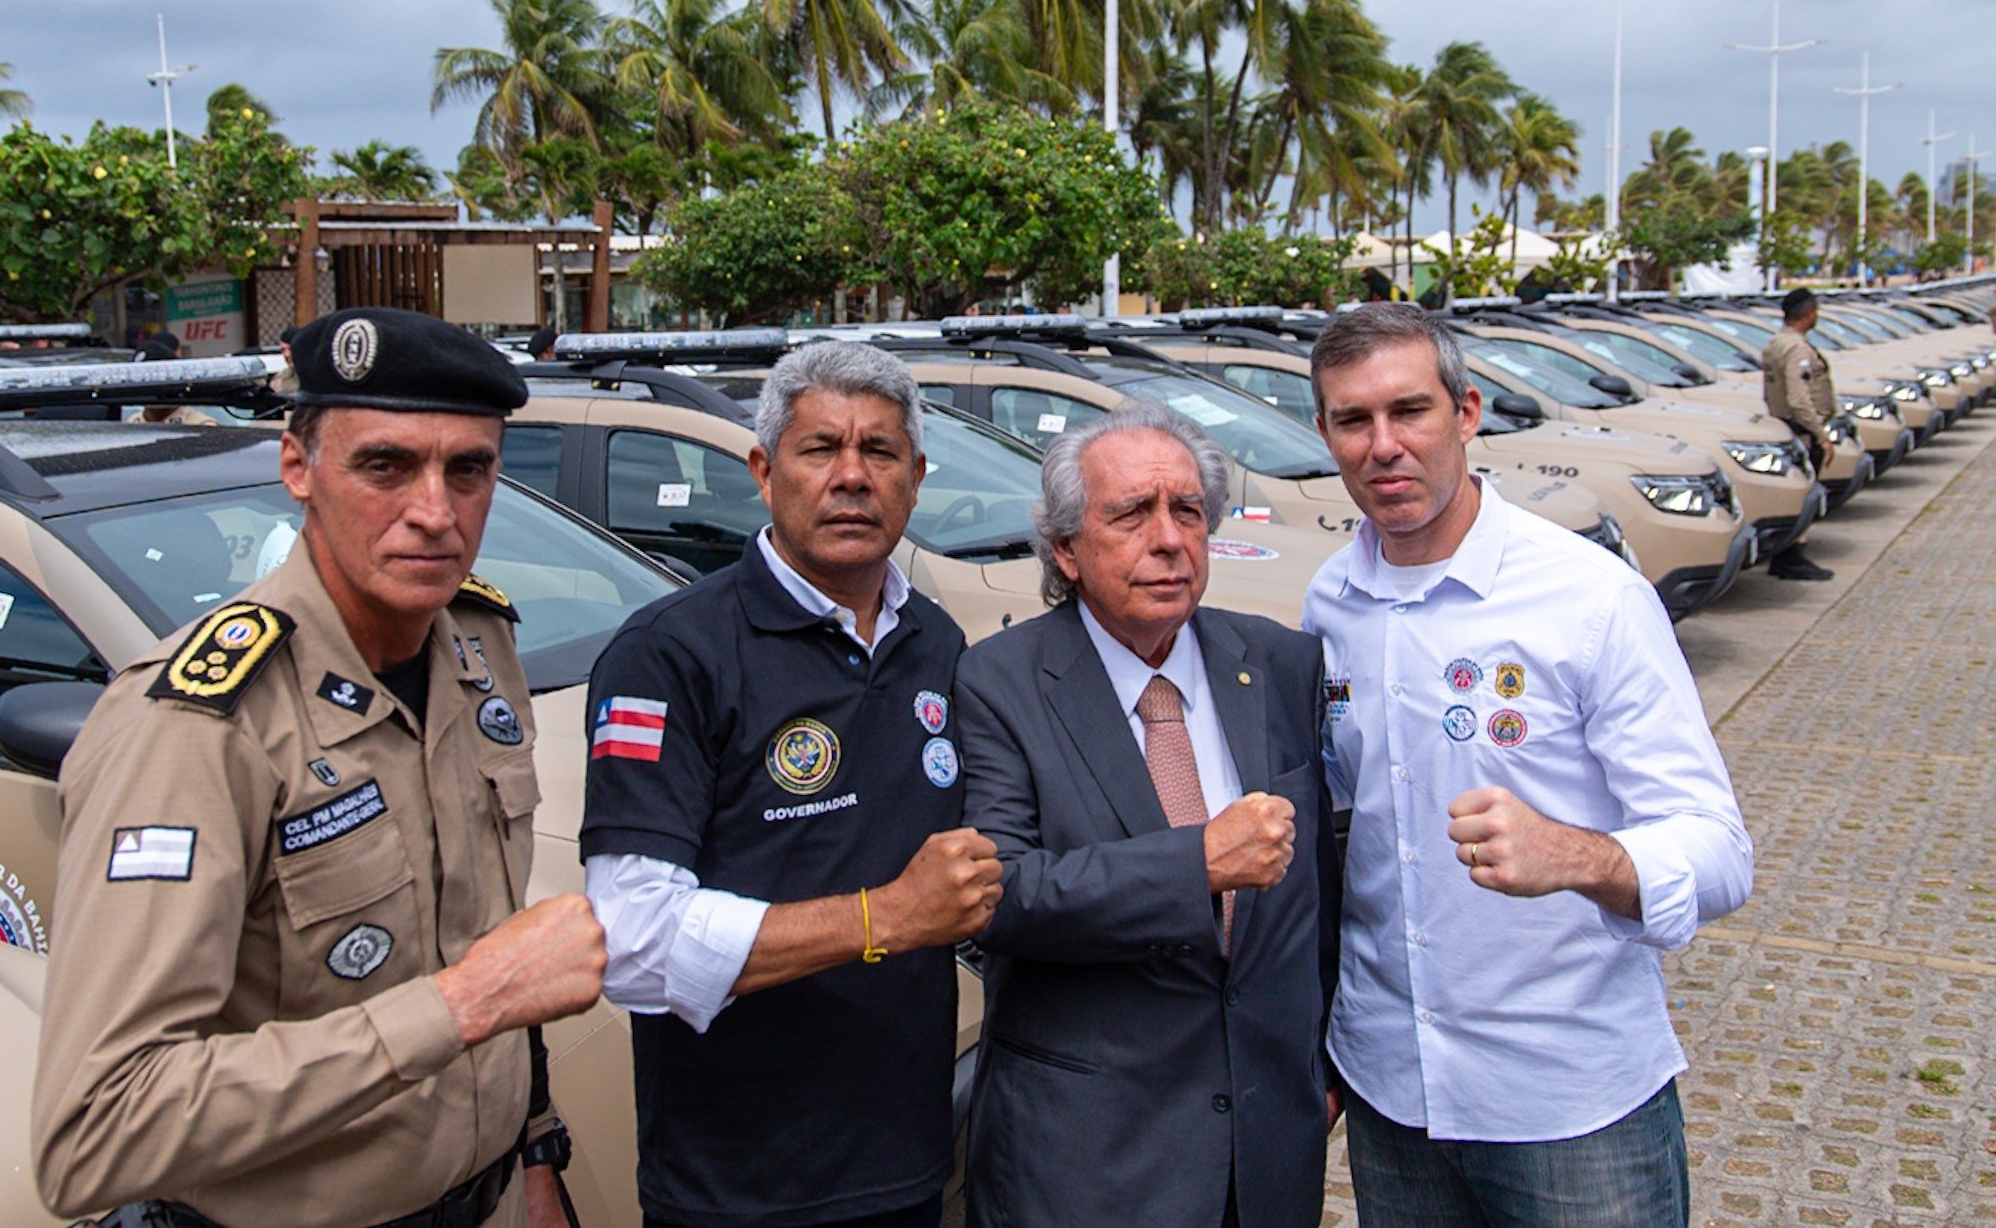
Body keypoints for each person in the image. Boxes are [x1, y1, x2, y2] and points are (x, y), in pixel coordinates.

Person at [32, 307, 606, 1228]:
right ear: (297, 469)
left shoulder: (476, 645)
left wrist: (535, 1149)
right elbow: (97, 1130)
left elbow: (479, 930)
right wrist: (459, 1005)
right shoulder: (195, 726)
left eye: (469, 469)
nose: (435, 512)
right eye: (385, 465)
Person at [1300, 303, 1753, 1228]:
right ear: (1326, 434)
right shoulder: (1329, 603)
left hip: (1572, 1105)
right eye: (1354, 420)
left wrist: (1582, 858)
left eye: (1410, 411)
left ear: (1466, 413)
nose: (1383, 445)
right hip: (1396, 1095)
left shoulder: (1591, 599)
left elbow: (1720, 852)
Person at [581, 340, 1001, 1228]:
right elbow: (632, 939)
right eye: (821, 450)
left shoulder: (933, 638)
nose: (852, 477)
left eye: (879, 452)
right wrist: (883, 918)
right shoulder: (670, 654)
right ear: (764, 471)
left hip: (907, 1158)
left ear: (916, 477)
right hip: (738, 1184)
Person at [956, 404, 1341, 1228]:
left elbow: (1326, 889)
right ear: (1065, 548)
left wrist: (1322, 1064)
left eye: (1189, 511)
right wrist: (1196, 862)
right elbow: (999, 896)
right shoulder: (1000, 681)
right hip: (1091, 1160)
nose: (1169, 539)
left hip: (1270, 1148)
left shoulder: (1278, 661)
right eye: (1131, 514)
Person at [1759, 286, 1836, 581]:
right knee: (1803, 493)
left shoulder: (1775, 343)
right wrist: (1821, 433)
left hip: (1784, 425)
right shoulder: (1796, 349)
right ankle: (1792, 557)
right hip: (1800, 430)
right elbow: (1799, 398)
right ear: (1809, 313)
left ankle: (1788, 555)